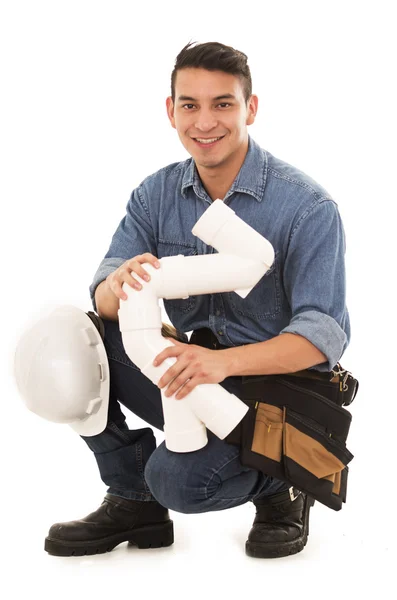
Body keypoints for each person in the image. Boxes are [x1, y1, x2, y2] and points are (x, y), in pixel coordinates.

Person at [45, 41, 350, 559]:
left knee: (180, 480)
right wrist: (118, 283)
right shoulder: (155, 194)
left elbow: (323, 336)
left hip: (274, 392)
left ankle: (283, 487)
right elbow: (102, 297)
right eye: (190, 105)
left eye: (222, 104)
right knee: (72, 341)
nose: (204, 122)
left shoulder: (307, 206)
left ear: (250, 108)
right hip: (195, 373)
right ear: (171, 111)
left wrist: (220, 363)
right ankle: (132, 497)